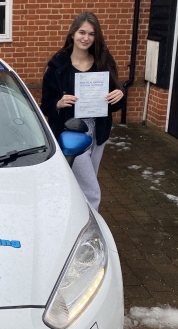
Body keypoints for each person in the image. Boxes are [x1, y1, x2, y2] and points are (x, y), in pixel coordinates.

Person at [41, 12, 125, 211]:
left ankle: (70, 216)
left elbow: (115, 96)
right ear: (72, 34)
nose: (86, 38)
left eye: (91, 34)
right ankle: (91, 226)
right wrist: (59, 104)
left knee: (84, 182)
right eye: (82, 32)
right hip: (71, 132)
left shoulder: (103, 62)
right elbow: (45, 105)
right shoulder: (57, 66)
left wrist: (119, 95)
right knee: (91, 189)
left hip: (98, 131)